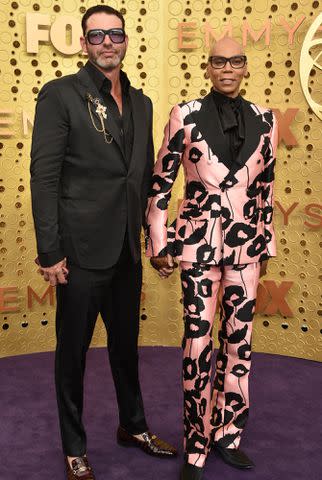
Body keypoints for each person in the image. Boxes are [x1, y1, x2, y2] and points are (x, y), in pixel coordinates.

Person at [30, 5, 177, 479]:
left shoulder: (143, 102)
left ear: (126, 39)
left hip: (126, 251)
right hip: (79, 251)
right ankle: (74, 446)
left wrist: (155, 242)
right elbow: (44, 177)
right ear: (83, 43)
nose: (107, 43)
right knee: (72, 353)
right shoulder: (60, 95)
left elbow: (141, 178)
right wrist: (50, 251)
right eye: (97, 36)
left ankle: (132, 426)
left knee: (125, 348)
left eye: (115, 34)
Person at [145, 37, 277, 480]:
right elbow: (162, 180)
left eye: (235, 61)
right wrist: (158, 241)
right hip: (196, 248)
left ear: (244, 68)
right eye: (219, 61)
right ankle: (196, 444)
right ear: (208, 67)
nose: (227, 68)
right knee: (198, 344)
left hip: (247, 250)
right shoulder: (184, 114)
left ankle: (229, 434)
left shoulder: (266, 119)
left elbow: (266, 188)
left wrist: (267, 243)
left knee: (239, 344)